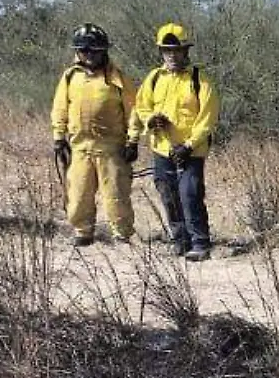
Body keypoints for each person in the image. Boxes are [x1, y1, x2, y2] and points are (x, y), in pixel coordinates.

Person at [135, 22, 221, 262]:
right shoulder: (153, 78)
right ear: (162, 52)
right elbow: (142, 107)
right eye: (167, 51)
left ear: (186, 52)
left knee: (190, 194)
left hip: (190, 152)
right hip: (162, 149)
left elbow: (207, 119)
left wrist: (189, 145)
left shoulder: (199, 81)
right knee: (168, 195)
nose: (172, 55)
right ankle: (180, 240)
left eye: (176, 50)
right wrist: (151, 120)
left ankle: (200, 243)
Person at [51, 24, 137, 247]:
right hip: (79, 148)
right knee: (78, 195)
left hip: (110, 148)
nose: (89, 55)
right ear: (77, 52)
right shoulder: (70, 77)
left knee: (116, 195)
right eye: (84, 51)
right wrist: (59, 137)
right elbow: (60, 107)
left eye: (94, 51)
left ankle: (121, 234)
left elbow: (133, 110)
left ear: (104, 51)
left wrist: (133, 141)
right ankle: (83, 231)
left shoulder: (117, 78)